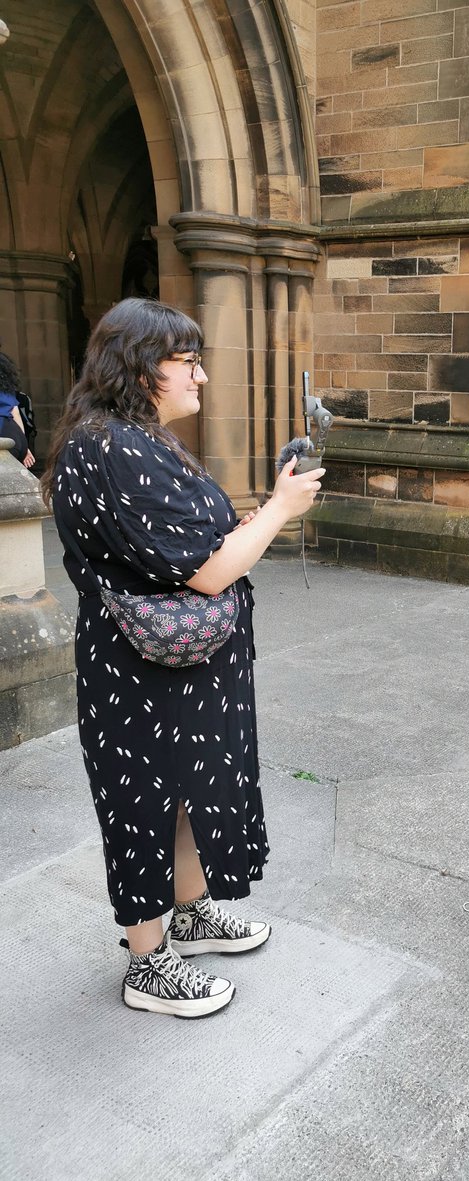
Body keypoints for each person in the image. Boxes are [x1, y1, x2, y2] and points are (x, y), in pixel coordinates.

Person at [42, 297, 325, 1017]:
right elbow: (206, 570)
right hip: (139, 671)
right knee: (142, 804)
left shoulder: (136, 439)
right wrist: (282, 510)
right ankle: (147, 964)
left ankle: (191, 913)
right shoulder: (110, 446)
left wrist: (268, 501)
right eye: (187, 362)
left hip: (176, 665)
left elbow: (199, 539)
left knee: (184, 793)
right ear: (140, 369)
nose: (201, 377)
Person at [0, 351, 36, 468]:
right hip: (16, 435)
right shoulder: (5, 388)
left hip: (3, 435)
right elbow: (15, 413)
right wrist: (25, 447)